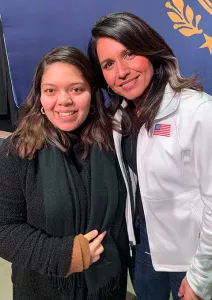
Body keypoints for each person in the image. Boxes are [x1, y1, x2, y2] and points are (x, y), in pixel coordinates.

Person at [88, 12, 212, 300]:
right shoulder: (121, 117)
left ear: (150, 50)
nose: (121, 71)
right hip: (143, 248)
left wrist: (201, 274)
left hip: (190, 257)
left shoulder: (198, 111)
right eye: (108, 64)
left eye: (129, 53)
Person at [0, 46, 129, 300]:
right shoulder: (18, 151)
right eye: (51, 90)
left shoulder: (115, 144)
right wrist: (67, 255)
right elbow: (4, 229)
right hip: (42, 291)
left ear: (92, 93)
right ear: (40, 96)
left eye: (76, 89)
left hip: (107, 290)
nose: (64, 101)